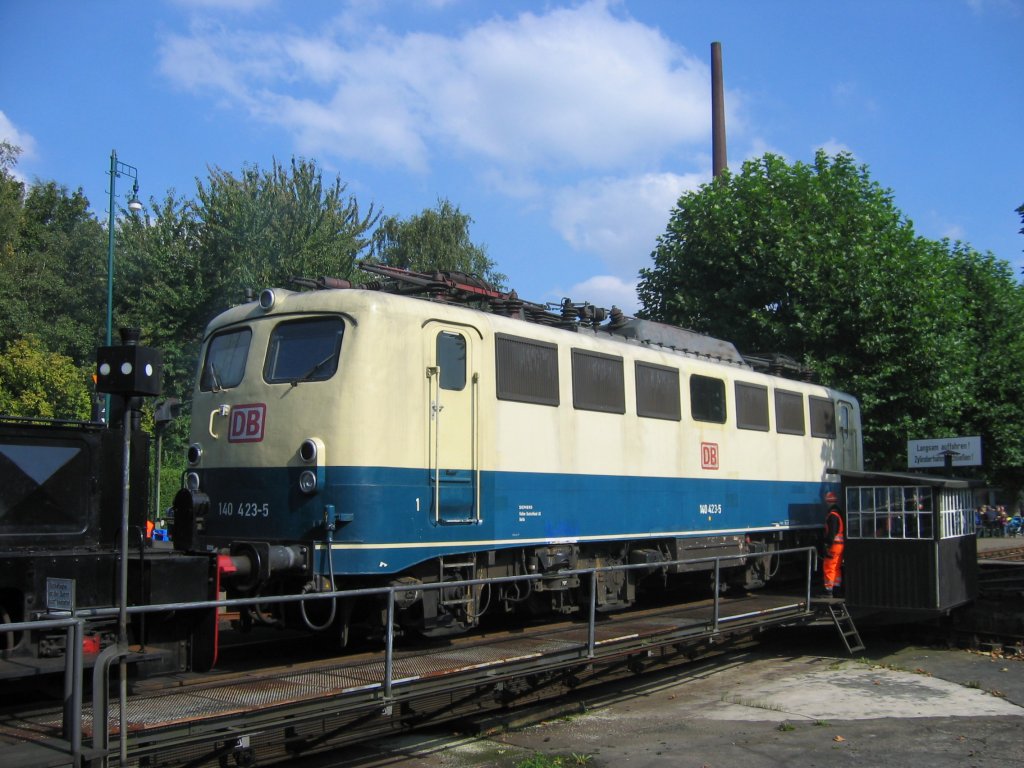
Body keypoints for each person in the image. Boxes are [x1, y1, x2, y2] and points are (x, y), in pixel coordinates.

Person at [822, 491, 845, 597]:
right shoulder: (839, 514)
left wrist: (827, 546)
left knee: (829, 567)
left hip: (834, 545)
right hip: (840, 545)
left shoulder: (832, 516)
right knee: (836, 567)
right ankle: (836, 588)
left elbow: (832, 533)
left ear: (828, 502)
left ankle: (828, 590)